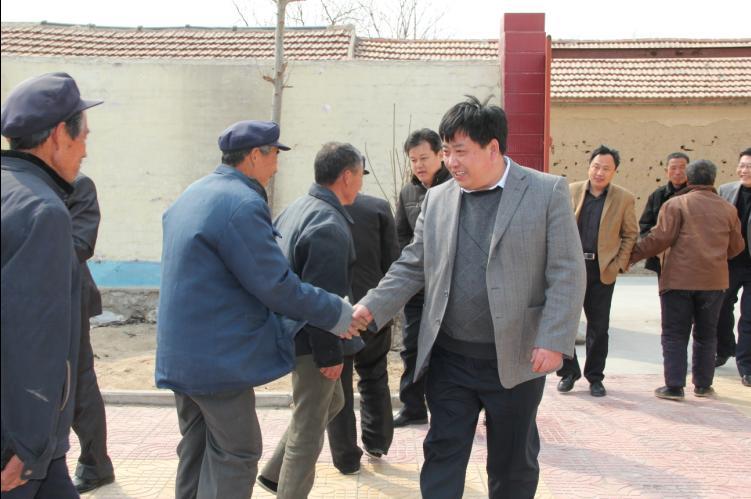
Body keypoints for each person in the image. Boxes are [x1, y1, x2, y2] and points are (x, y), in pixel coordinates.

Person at [352, 96, 586, 498]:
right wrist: (371, 306)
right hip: (450, 357)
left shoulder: (546, 191)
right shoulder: (438, 198)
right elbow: (414, 263)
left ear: (492, 147)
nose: (451, 162)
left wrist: (553, 338)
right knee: (442, 452)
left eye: (460, 151)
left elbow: (567, 270)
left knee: (512, 463)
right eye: (446, 152)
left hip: (516, 357)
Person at [156, 123, 364, 499]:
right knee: (237, 451)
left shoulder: (195, 192)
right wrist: (337, 312)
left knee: (196, 448)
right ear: (254, 156)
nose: (277, 166)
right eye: (274, 156)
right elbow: (276, 285)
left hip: (180, 353)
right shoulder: (242, 204)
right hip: (217, 360)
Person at [1, 72, 102, 497]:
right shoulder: (44, 211)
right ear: (60, 134)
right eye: (84, 137)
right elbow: (34, 337)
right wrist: (27, 446)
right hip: (20, 445)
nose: (85, 150)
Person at [258, 142, 367, 496]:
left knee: (332, 403)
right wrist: (329, 355)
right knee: (308, 430)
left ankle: (274, 474)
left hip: (291, 330)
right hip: (311, 339)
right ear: (347, 176)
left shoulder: (299, 207)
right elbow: (323, 300)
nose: (361, 183)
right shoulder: (328, 225)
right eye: (361, 175)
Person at [629, 159, 744, 400]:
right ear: (713, 179)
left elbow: (659, 239)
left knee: (674, 334)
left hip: (678, 281)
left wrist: (629, 256)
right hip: (714, 282)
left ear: (689, 180)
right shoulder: (728, 209)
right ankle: (703, 385)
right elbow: (736, 247)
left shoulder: (675, 204)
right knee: (706, 334)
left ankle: (674, 386)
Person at [556, 145, 638, 397]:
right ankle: (568, 372)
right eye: (596, 166)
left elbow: (630, 234)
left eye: (606, 168)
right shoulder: (570, 191)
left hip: (601, 271)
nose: (599, 172)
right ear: (589, 166)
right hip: (571, 269)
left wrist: (618, 264)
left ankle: (595, 377)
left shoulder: (623, 199)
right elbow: (557, 226)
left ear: (614, 171)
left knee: (598, 328)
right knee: (564, 323)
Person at [326, 192, 400, 470]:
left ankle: (345, 457)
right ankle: (377, 441)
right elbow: (393, 263)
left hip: (335, 311)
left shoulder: (317, 208)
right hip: (372, 307)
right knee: (374, 374)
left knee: (339, 386)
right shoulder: (378, 207)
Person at [393, 128, 452, 427]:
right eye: (413, 159)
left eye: (424, 158)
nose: (418, 165)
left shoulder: (456, 186)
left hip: (450, 285)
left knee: (449, 350)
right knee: (412, 347)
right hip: (417, 287)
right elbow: (401, 236)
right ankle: (413, 407)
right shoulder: (408, 193)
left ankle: (453, 409)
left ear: (441, 155)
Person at [67, 174, 115, 493]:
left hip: (67, 298)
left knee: (78, 381)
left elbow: (79, 245)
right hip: (18, 300)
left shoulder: (77, 184)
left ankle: (94, 463)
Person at [716, 148, 751, 385]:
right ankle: (725, 348)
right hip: (729, 263)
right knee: (719, 308)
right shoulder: (725, 191)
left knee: (749, 316)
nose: (743, 170)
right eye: (742, 165)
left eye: (749, 166)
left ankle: (746, 365)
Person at [638, 152, 689, 275]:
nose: (678, 172)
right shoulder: (657, 195)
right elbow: (645, 225)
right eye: (673, 168)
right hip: (661, 258)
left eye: (682, 168)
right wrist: (657, 248)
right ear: (666, 171)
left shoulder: (696, 194)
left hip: (691, 258)